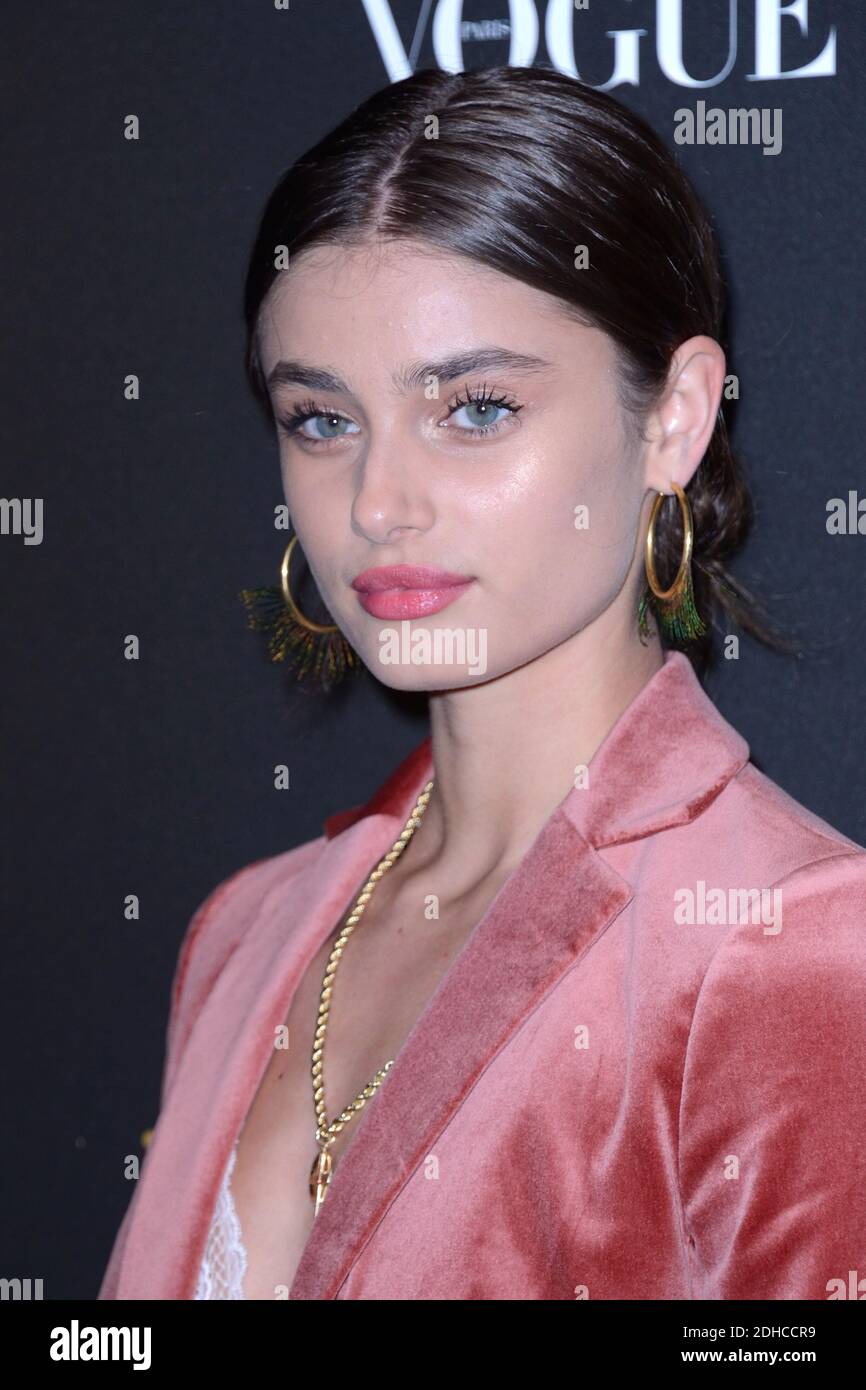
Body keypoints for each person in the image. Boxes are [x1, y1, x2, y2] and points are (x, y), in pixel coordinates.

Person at [98, 66, 866, 1301]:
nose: (378, 503)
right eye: (321, 420)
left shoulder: (791, 946)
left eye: (474, 408)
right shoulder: (245, 931)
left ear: (672, 417)